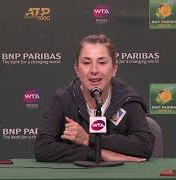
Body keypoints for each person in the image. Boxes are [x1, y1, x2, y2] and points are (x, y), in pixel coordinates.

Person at [34, 34, 155, 162]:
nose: (94, 70)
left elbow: (145, 145)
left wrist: (88, 139)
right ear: (77, 69)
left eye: (102, 62)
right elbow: (42, 148)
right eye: (86, 62)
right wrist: (98, 154)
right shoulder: (63, 99)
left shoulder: (127, 99)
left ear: (114, 68)